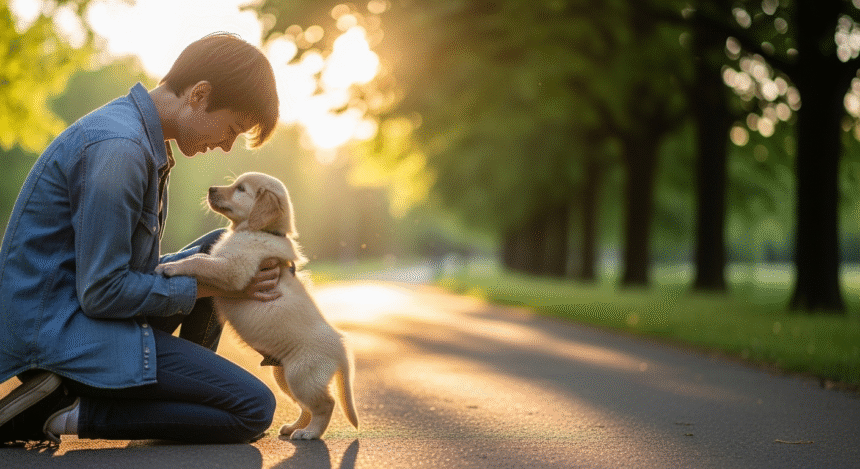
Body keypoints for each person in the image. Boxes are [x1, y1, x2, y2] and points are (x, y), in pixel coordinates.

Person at [0, 32, 283, 445]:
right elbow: (102, 292)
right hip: (59, 336)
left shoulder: (138, 138)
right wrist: (215, 282)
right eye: (232, 129)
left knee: (219, 249)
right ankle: (58, 410)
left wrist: (222, 270)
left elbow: (124, 274)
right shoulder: (121, 150)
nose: (226, 146)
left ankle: (183, 385)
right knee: (252, 409)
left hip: (74, 313)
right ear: (199, 95)